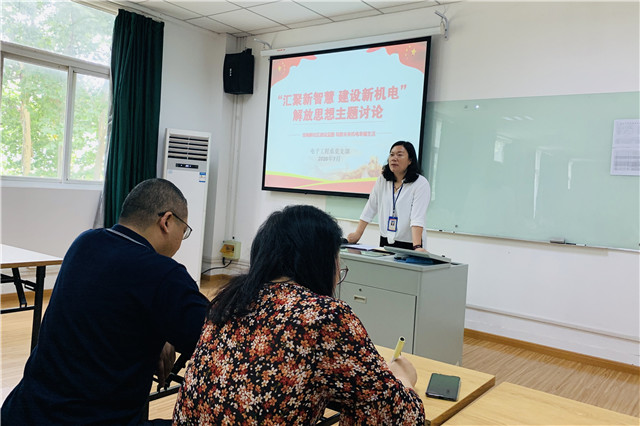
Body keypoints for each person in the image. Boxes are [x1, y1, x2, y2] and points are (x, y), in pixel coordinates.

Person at [173, 205, 425, 425]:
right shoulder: (324, 317)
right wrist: (403, 378)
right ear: (320, 262)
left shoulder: (229, 301)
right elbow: (399, 416)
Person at [1, 178, 210, 425]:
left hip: (23, 412)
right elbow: (220, 341)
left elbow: (118, 310)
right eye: (184, 231)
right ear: (167, 221)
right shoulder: (164, 274)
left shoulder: (84, 243)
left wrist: (162, 334)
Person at [347, 141, 431, 251]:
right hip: (385, 239)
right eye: (392, 154)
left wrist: (417, 246)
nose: (394, 158)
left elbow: (417, 217)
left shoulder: (420, 183)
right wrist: (357, 234)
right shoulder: (382, 180)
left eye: (399, 155)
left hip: (410, 242)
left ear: (410, 160)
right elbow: (370, 207)